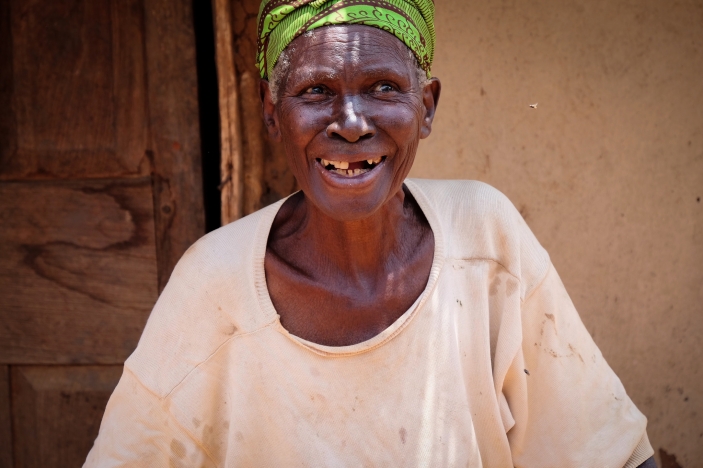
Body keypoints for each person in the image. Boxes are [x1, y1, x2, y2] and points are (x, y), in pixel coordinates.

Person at [85, 0, 657, 466]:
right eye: (315, 91)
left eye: (384, 87)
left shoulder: (483, 240)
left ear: (427, 107)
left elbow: (609, 450)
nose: (352, 123)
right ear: (270, 110)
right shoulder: (214, 286)